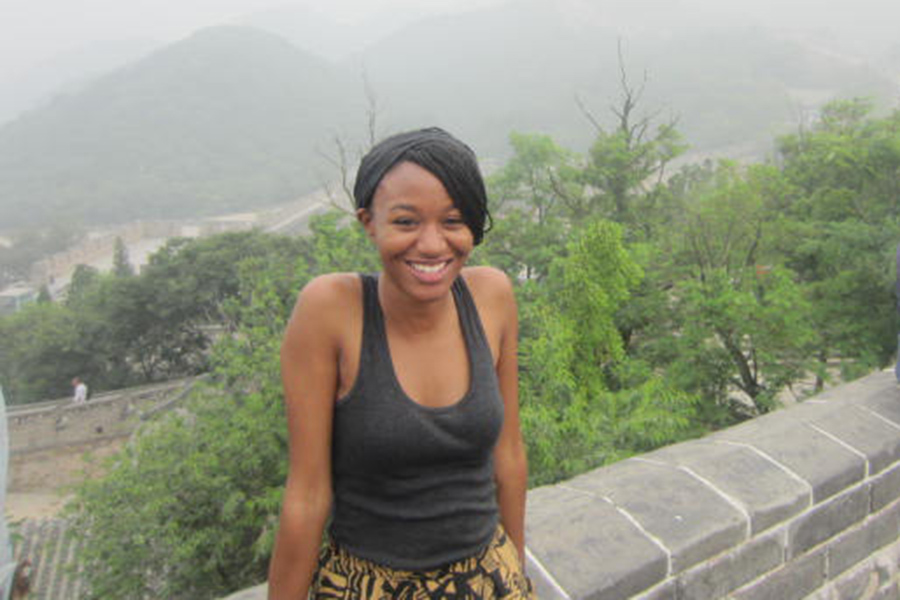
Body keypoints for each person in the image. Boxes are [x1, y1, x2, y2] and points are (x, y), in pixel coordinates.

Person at [268, 128, 531, 599]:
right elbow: (307, 494)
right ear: (369, 222)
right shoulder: (330, 310)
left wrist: (516, 572)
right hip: (366, 586)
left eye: (453, 221)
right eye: (406, 222)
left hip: (487, 578)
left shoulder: (491, 296)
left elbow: (508, 456)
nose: (432, 245)